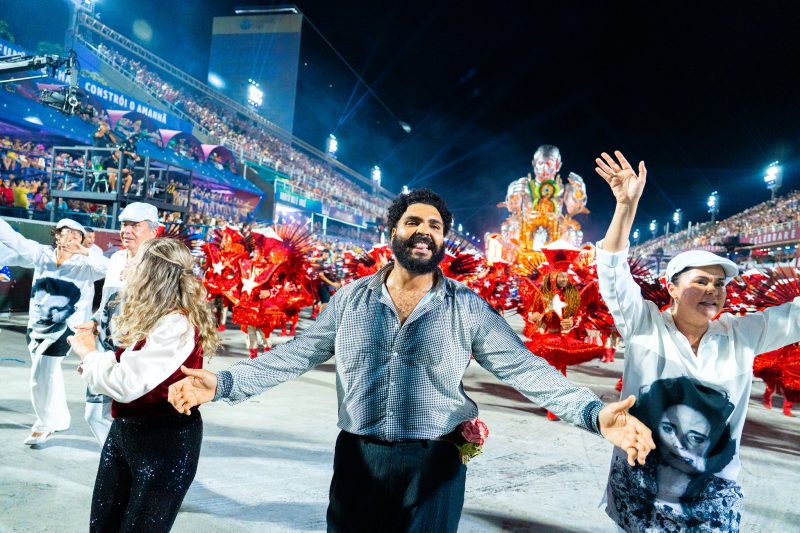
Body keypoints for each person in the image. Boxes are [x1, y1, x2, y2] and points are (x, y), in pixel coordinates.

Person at [169, 188, 655, 532]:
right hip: (360, 457)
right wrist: (226, 382)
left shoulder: (465, 307)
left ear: (443, 241)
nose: (425, 231)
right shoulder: (350, 300)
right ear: (394, 232)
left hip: (435, 464)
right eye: (414, 222)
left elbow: (524, 367)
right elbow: (297, 353)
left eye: (435, 226)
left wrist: (593, 413)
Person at [594, 150, 800, 532]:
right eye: (700, 282)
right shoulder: (643, 326)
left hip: (712, 498)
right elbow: (611, 272)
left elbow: (796, 316)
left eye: (720, 284)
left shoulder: (741, 335)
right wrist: (626, 206)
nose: (713, 291)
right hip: (640, 493)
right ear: (672, 288)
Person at [68, 237, 218, 532]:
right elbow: (126, 366)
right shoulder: (154, 315)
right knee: (103, 526)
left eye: (135, 261)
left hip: (164, 441)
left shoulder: (177, 323)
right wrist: (98, 353)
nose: (127, 266)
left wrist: (89, 354)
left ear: (153, 272)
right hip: (126, 432)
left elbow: (126, 383)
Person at [0, 217, 108, 445]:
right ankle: (58, 420)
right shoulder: (42, 255)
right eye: (65, 232)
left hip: (65, 329)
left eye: (76, 234)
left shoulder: (85, 265)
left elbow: (107, 268)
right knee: (47, 374)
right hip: (37, 326)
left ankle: (44, 424)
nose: (70, 237)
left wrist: (86, 252)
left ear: (82, 240)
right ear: (56, 235)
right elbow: (14, 240)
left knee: (41, 374)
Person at [73, 202, 159, 446]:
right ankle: (118, 461)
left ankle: (125, 466)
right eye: (124, 225)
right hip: (104, 351)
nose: (127, 230)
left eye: (135, 225)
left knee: (130, 417)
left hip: (136, 355)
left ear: (153, 231)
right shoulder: (117, 258)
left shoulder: (160, 264)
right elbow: (108, 302)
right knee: (94, 413)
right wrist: (93, 321)